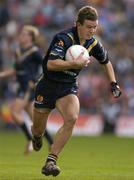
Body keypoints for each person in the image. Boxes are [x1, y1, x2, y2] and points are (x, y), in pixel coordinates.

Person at [31, 6, 121, 176]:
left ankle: (51, 161)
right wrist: (74, 64)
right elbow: (51, 64)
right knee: (38, 129)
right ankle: (36, 137)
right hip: (47, 85)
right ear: (77, 24)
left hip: (67, 86)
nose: (92, 31)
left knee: (72, 118)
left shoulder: (93, 43)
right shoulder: (63, 38)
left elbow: (106, 62)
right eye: (88, 27)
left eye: (94, 27)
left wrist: (113, 83)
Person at [0, 25, 53, 154]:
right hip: (20, 85)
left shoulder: (35, 52)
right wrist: (1, 75)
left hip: (28, 86)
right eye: (21, 34)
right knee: (36, 122)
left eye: (24, 34)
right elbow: (15, 70)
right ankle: (51, 142)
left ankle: (30, 139)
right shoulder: (18, 51)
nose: (21, 36)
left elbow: (46, 66)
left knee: (14, 112)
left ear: (31, 37)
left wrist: (36, 80)